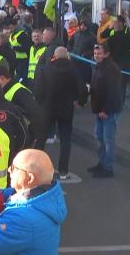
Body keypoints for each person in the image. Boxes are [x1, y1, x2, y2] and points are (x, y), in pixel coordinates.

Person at [34, 47, 88, 178]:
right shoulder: (74, 70)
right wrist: (80, 102)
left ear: (54, 56)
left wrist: (40, 102)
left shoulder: (45, 69)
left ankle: (35, 167)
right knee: (65, 139)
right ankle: (63, 170)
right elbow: (82, 89)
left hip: (48, 108)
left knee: (41, 138)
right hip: (66, 109)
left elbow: (38, 88)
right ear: (67, 56)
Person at [88, 43, 122, 178]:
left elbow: (113, 92)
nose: (96, 56)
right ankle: (102, 163)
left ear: (107, 54)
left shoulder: (111, 69)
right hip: (100, 108)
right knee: (99, 137)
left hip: (108, 110)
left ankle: (108, 168)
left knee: (108, 139)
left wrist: (105, 110)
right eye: (95, 53)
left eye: (99, 53)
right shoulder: (99, 66)